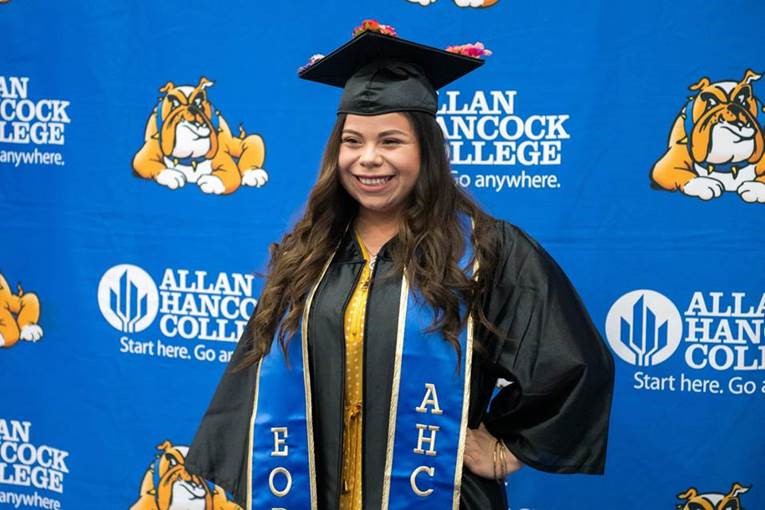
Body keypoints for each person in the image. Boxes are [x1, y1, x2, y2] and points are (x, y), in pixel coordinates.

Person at [186, 22, 614, 510]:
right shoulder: (306, 254)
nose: (368, 159)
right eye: (353, 141)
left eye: (391, 141)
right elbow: (255, 382)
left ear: (425, 152)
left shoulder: (485, 251)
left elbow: (574, 364)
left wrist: (504, 448)